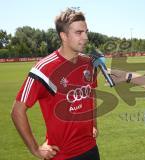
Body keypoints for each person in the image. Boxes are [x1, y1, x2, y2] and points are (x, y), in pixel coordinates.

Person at [11, 8, 100, 160]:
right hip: (62, 155)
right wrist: (36, 149)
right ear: (63, 36)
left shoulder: (88, 63)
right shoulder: (43, 69)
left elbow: (92, 93)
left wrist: (94, 125)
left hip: (90, 149)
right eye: (79, 33)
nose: (85, 37)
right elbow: (17, 111)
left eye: (86, 31)